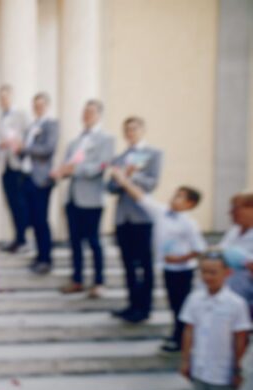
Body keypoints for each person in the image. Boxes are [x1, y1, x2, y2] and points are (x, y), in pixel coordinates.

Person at [110, 168, 206, 345]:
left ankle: (182, 337)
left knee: (182, 303)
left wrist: (180, 259)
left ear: (190, 204)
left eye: (180, 197)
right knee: (173, 302)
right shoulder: (163, 212)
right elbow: (141, 198)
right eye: (175, 194)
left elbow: (199, 249)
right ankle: (177, 333)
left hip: (183, 270)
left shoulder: (189, 224)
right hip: (168, 268)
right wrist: (123, 180)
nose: (174, 198)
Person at [179, 250, 252, 390]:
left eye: (213, 272)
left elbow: (240, 338)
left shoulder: (236, 304)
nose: (208, 277)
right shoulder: (195, 299)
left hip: (223, 370)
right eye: (204, 272)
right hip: (201, 367)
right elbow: (189, 331)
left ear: (227, 273)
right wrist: (186, 360)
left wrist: (238, 370)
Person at [52, 100, 114, 298]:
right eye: (85, 111)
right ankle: (77, 280)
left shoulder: (106, 139)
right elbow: (67, 165)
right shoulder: (76, 142)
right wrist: (62, 171)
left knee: (94, 242)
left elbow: (100, 166)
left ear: (99, 115)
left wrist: (74, 169)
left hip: (92, 199)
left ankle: (99, 282)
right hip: (72, 198)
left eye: (91, 112)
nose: (87, 115)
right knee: (75, 242)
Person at [107, 117, 163, 323]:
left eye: (134, 129)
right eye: (127, 130)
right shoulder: (119, 157)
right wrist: (118, 179)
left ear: (142, 130)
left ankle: (145, 307)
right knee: (128, 264)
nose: (131, 133)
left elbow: (152, 183)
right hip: (123, 217)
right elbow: (110, 188)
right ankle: (132, 304)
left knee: (145, 265)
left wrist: (130, 176)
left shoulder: (153, 153)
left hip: (142, 216)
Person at [16, 92, 59, 274]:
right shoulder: (32, 126)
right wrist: (18, 150)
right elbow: (25, 151)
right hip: (27, 177)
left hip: (41, 179)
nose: (38, 108)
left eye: (41, 105)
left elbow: (48, 148)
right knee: (32, 219)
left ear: (47, 106)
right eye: (35, 105)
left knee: (41, 220)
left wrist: (25, 148)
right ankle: (39, 255)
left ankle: (46, 259)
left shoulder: (51, 124)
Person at [0, 85, 29, 253]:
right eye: (1, 98)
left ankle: (23, 239)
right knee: (11, 203)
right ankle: (17, 238)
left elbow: (27, 137)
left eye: (5, 97)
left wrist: (17, 143)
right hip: (5, 166)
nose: (3, 100)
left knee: (20, 204)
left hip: (18, 165)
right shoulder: (0, 120)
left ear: (11, 97)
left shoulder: (21, 115)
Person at [219, 191, 253, 309]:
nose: (230, 212)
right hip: (228, 295)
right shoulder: (234, 230)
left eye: (236, 208)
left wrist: (246, 262)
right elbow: (220, 252)